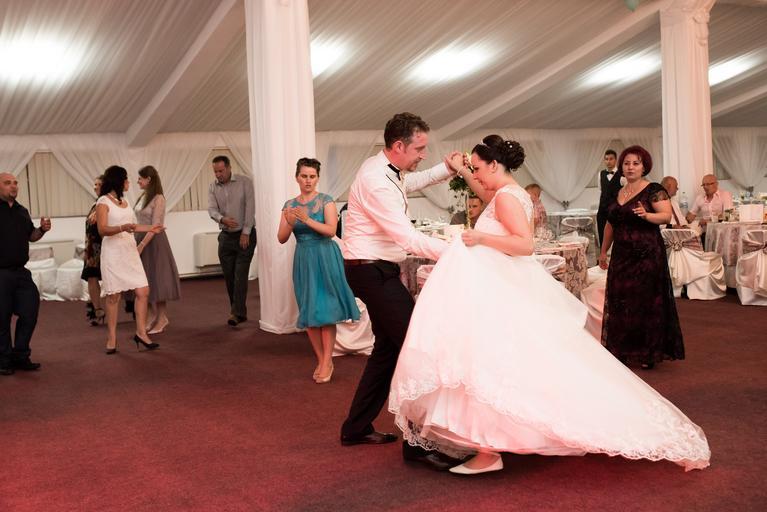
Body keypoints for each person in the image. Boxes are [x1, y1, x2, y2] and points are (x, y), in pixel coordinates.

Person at [388, 137, 710, 475]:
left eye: (479, 168)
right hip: (500, 282)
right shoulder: (508, 192)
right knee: (499, 361)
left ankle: (489, 450)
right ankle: (490, 443)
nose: (477, 176)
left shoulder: (507, 197)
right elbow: (487, 194)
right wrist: (464, 171)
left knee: (492, 361)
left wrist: (480, 238)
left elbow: (524, 244)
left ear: (495, 165)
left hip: (500, 283)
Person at [340, 112, 462, 471]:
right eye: (419, 149)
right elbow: (407, 238)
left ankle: (356, 427)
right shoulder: (375, 180)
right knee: (416, 349)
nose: (423, 154)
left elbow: (410, 181)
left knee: (388, 350)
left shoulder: (385, 169)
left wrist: (446, 169)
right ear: (398, 146)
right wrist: (457, 251)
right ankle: (417, 444)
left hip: (374, 269)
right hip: (371, 272)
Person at [598, 146, 684, 369]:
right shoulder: (616, 192)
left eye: (636, 163)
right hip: (621, 255)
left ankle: (647, 352)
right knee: (621, 300)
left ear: (644, 167)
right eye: (626, 163)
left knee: (645, 302)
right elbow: (610, 224)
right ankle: (622, 348)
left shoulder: (654, 189)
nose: (630, 167)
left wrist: (647, 216)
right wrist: (603, 251)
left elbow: (666, 216)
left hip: (647, 254)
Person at [278, 158, 360, 384]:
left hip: (325, 256)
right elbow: (281, 238)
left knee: (326, 309)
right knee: (309, 310)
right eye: (304, 176)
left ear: (317, 178)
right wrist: (290, 222)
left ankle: (326, 362)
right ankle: (323, 360)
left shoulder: (326, 200)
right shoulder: (289, 204)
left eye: (312, 176)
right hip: (304, 259)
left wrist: (306, 219)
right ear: (297, 177)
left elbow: (331, 230)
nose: (308, 180)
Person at [96, 165, 163, 354]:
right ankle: (111, 338)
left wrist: (151, 228)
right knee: (113, 296)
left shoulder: (124, 201)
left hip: (129, 250)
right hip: (113, 252)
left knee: (143, 290)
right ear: (118, 181)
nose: (128, 182)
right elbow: (102, 229)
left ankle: (141, 333)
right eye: (125, 179)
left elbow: (132, 226)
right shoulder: (103, 201)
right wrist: (121, 228)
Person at [0, 172, 50, 375]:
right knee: (1, 318)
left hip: (21, 272)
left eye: (15, 183)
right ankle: (3, 360)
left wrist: (42, 229)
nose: (13, 186)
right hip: (1, 273)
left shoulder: (22, 211)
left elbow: (32, 236)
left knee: (30, 311)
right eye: (7, 183)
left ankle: (20, 355)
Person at [208, 155, 257, 326]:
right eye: (215, 171)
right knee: (229, 277)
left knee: (240, 276)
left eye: (221, 171)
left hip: (245, 236)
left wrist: (246, 232)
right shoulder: (212, 187)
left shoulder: (245, 182)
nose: (218, 174)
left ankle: (236, 313)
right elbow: (212, 209)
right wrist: (222, 219)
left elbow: (250, 208)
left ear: (229, 168)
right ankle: (238, 312)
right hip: (226, 236)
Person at [135, 166, 181, 334]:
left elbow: (156, 226)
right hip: (140, 238)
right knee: (143, 280)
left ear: (149, 179)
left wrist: (141, 245)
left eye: (140, 178)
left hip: (154, 241)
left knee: (157, 279)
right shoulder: (143, 196)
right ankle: (151, 315)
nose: (138, 181)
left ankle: (162, 318)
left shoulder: (159, 198)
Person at [82, 175, 105, 326]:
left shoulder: (108, 203)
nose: (95, 187)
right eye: (94, 184)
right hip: (92, 247)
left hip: (104, 246)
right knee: (91, 276)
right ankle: (98, 310)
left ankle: (132, 304)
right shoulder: (95, 203)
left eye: (98, 184)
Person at [597, 149, 622, 245]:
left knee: (617, 237)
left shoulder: (622, 175)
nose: (608, 161)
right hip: (602, 211)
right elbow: (601, 190)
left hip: (616, 210)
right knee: (602, 236)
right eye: (606, 159)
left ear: (616, 160)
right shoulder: (601, 174)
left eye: (611, 159)